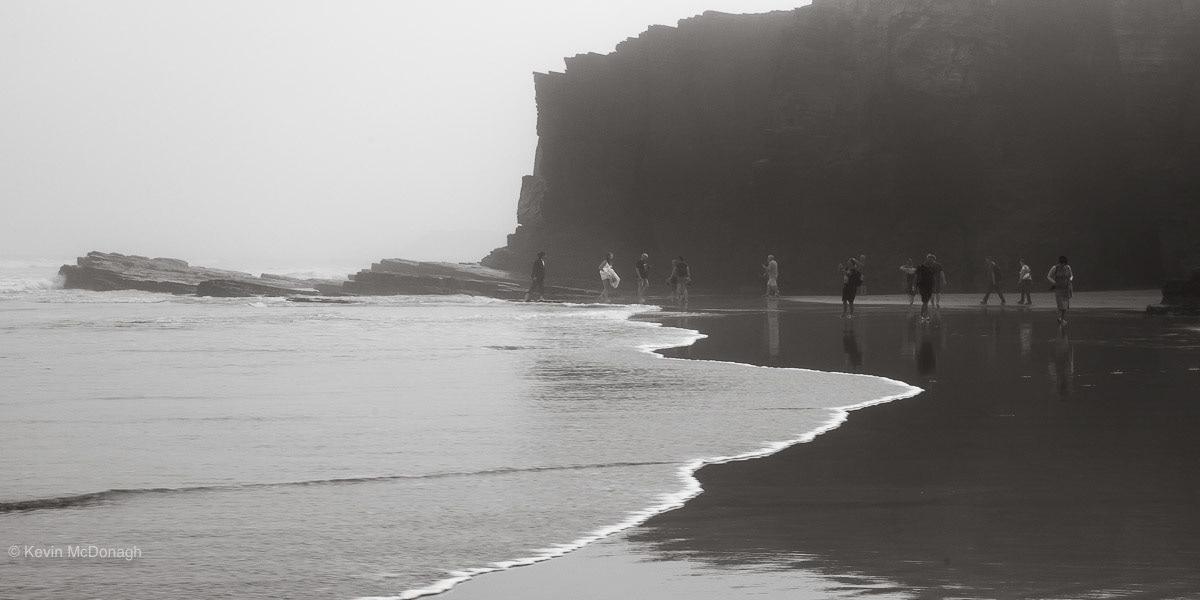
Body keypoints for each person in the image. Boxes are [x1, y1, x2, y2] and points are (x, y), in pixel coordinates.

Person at [1046, 255, 1074, 324]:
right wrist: (1054, 282)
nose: (1063, 265)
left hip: (1066, 288)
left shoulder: (1068, 267)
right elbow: (1048, 276)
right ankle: (1059, 318)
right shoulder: (1055, 268)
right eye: (1061, 264)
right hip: (1058, 288)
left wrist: (1070, 279)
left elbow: (1071, 275)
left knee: (1065, 305)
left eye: (1064, 264)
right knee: (1060, 304)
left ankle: (1062, 318)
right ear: (1059, 263)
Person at [914, 254, 937, 322]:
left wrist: (934, 287)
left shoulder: (932, 268)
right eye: (930, 259)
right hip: (922, 286)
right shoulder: (920, 267)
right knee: (925, 301)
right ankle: (926, 315)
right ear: (927, 259)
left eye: (932, 260)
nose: (931, 261)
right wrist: (914, 286)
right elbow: (916, 277)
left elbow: (933, 278)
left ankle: (921, 315)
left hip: (930, 287)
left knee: (925, 302)